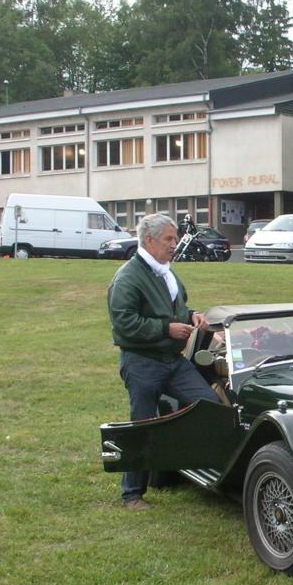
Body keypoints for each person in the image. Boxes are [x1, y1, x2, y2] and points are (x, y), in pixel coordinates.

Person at [107, 213, 218, 511]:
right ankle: (132, 494)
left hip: (173, 361)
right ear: (149, 240)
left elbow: (177, 307)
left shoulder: (165, 272)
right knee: (142, 425)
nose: (174, 244)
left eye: (174, 237)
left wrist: (192, 315)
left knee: (208, 405)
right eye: (169, 239)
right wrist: (165, 329)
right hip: (142, 363)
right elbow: (123, 323)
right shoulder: (128, 277)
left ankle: (190, 465)